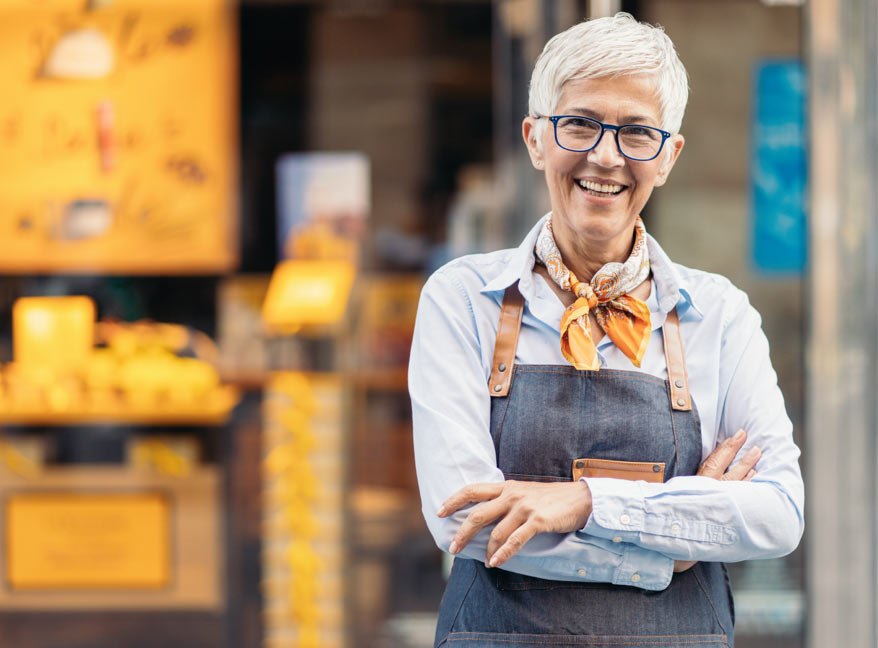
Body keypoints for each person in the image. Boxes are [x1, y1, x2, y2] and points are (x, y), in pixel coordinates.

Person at [408, 12, 804, 648]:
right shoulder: (464, 299)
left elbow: (778, 514)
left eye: (637, 133)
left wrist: (587, 503)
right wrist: (671, 554)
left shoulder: (719, 314)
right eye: (581, 124)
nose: (605, 156)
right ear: (536, 138)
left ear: (668, 156)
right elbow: (467, 521)